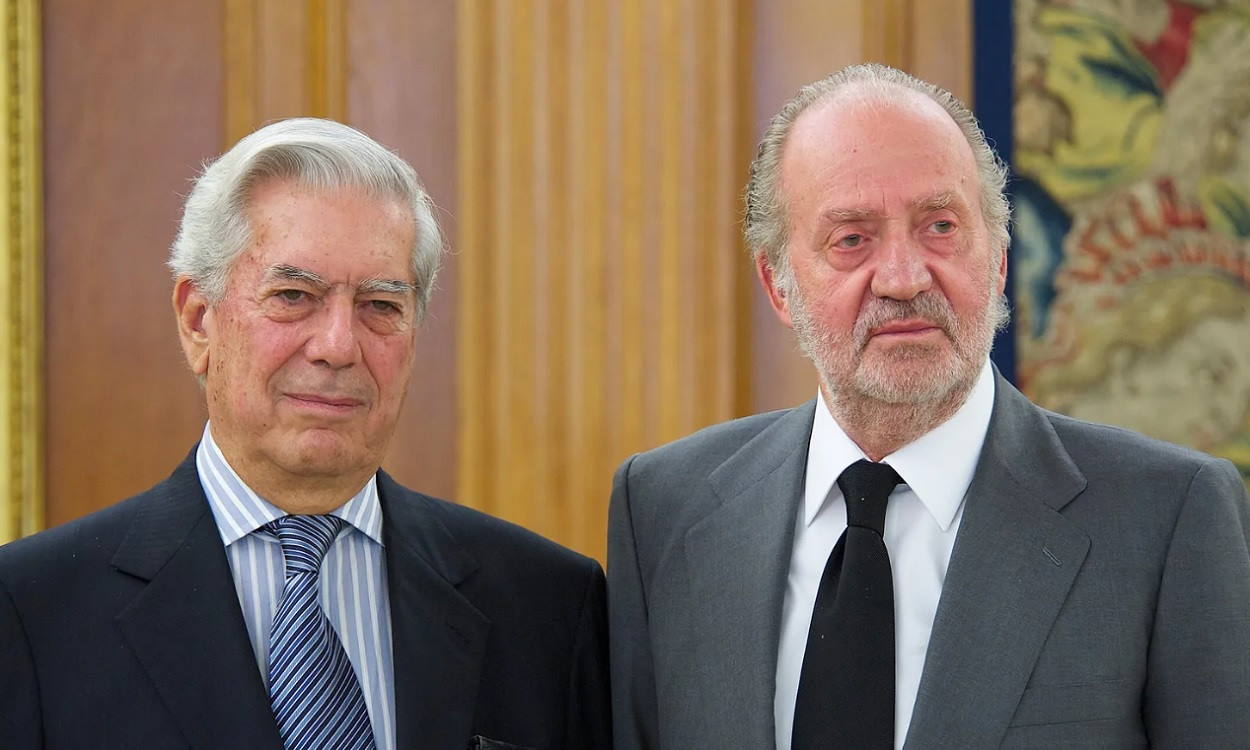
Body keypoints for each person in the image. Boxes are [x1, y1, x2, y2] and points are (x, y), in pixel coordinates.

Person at [607, 63, 1250, 749]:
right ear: (779, 285)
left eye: (940, 226)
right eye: (852, 239)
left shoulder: (1167, 517)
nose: (905, 277)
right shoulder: (665, 511)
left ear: (999, 257)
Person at [0, 118, 610, 750]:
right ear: (198, 320)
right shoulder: (29, 612)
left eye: (381, 306)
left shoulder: (549, 607)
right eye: (293, 295)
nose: (339, 346)